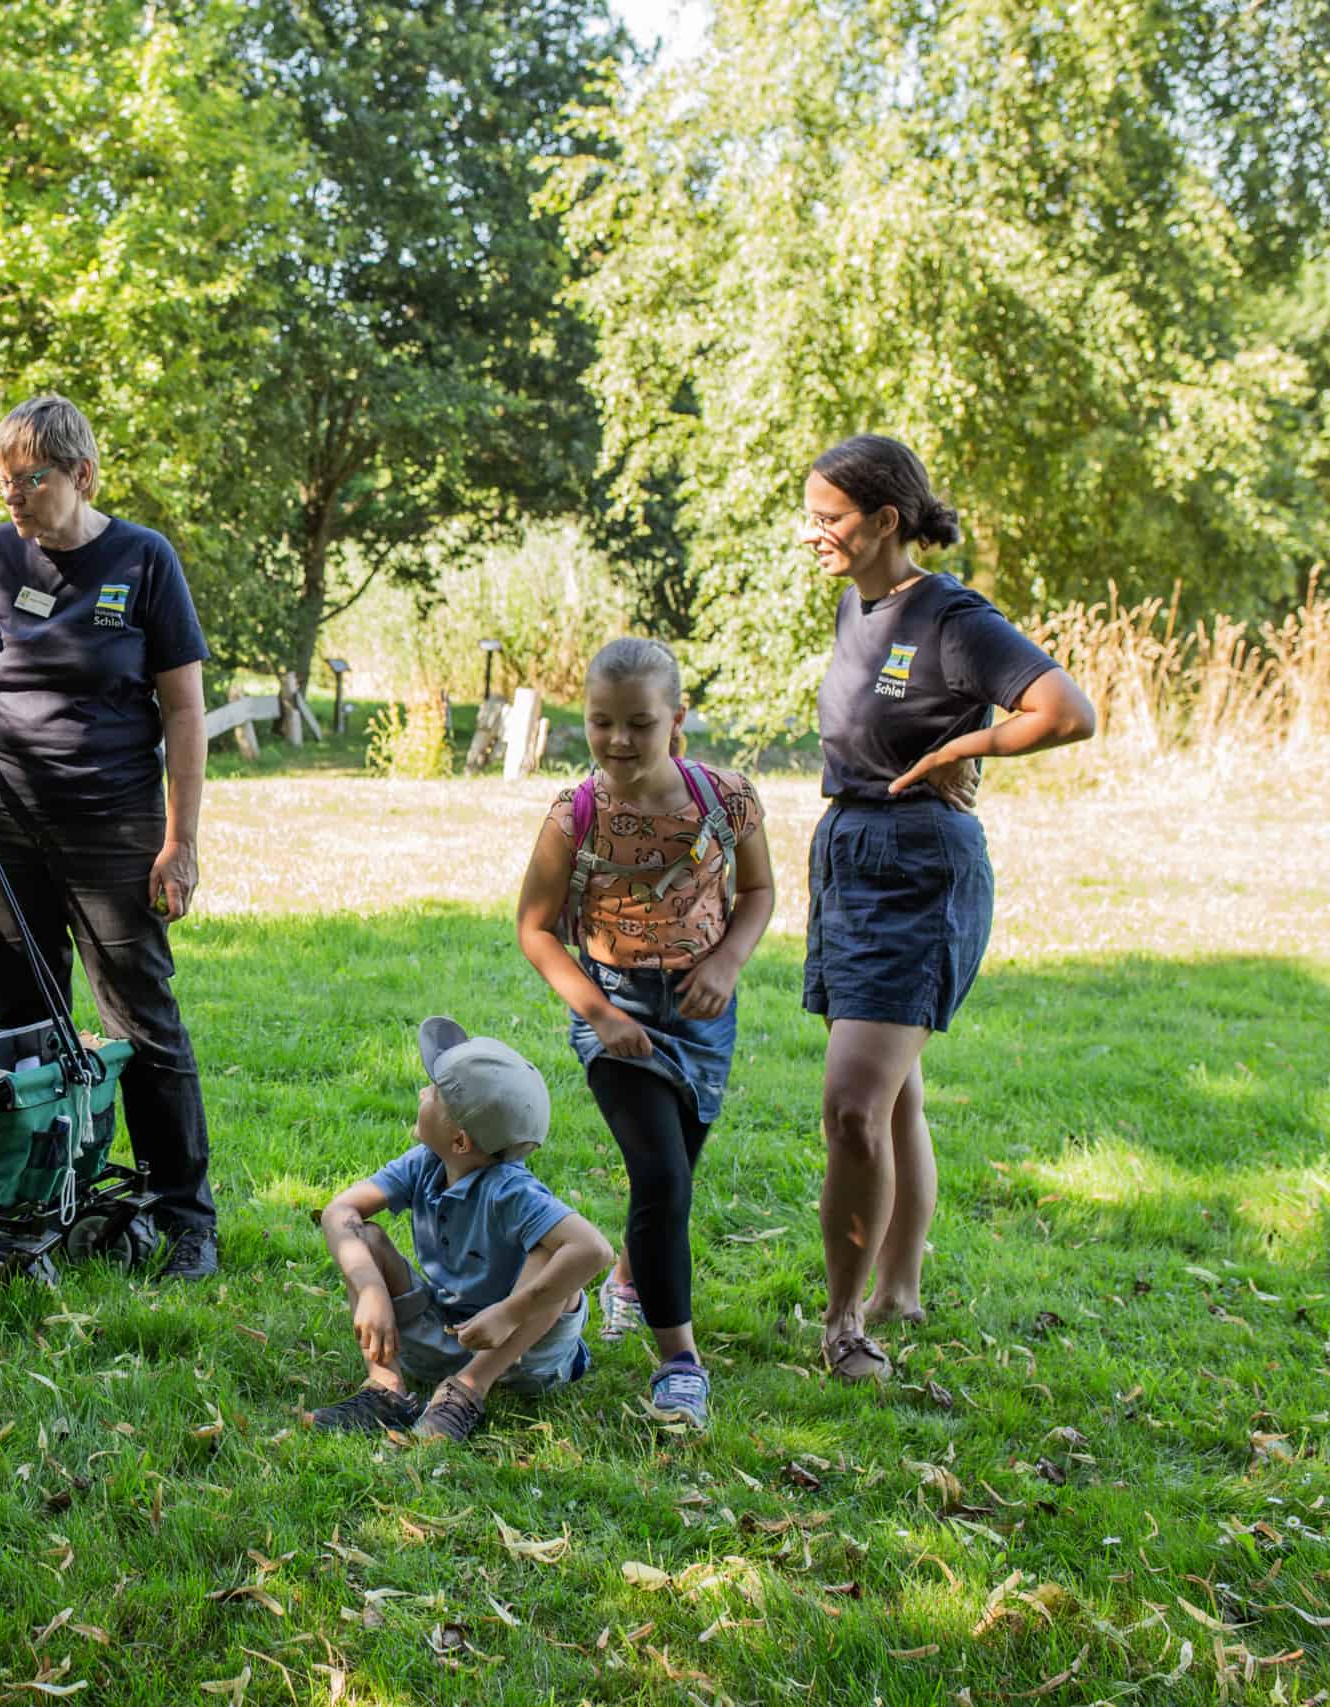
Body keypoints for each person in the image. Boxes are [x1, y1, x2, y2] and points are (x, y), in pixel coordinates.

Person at [0, 393, 219, 1281]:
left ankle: (183, 1213)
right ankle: (42, 1201)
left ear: (82, 474)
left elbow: (185, 711)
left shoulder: (144, 560)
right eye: (2, 481)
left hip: (113, 826)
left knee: (137, 1016)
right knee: (26, 1019)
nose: (13, 498)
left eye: (29, 479)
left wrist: (180, 841)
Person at [798, 435, 1096, 1382]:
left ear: (887, 520)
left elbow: (1067, 709)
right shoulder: (860, 604)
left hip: (918, 865)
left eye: (831, 518)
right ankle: (897, 1289)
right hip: (849, 854)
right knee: (894, 1096)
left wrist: (973, 748)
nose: (815, 535)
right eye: (810, 516)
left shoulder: (953, 615)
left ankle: (846, 1324)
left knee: (853, 1106)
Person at [513, 637, 775, 1431]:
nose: (619, 740)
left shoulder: (728, 800)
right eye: (601, 722)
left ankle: (630, 1279)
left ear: (678, 719)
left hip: (701, 1012)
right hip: (613, 1008)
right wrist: (601, 1014)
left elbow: (758, 892)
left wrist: (727, 962)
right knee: (661, 1177)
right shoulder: (574, 814)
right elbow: (535, 929)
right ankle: (680, 1365)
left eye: (639, 722)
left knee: (675, 1179)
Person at [308, 1023, 612, 1442]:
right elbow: (339, 1211)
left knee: (554, 1254)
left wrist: (511, 1312)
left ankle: (468, 1390)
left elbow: (594, 1250)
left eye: (434, 1093)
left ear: (461, 1140)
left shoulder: (511, 1191)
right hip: (449, 1335)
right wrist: (371, 1288)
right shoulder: (424, 1163)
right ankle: (386, 1388)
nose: (421, 1094)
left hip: (524, 1354)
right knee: (365, 1239)